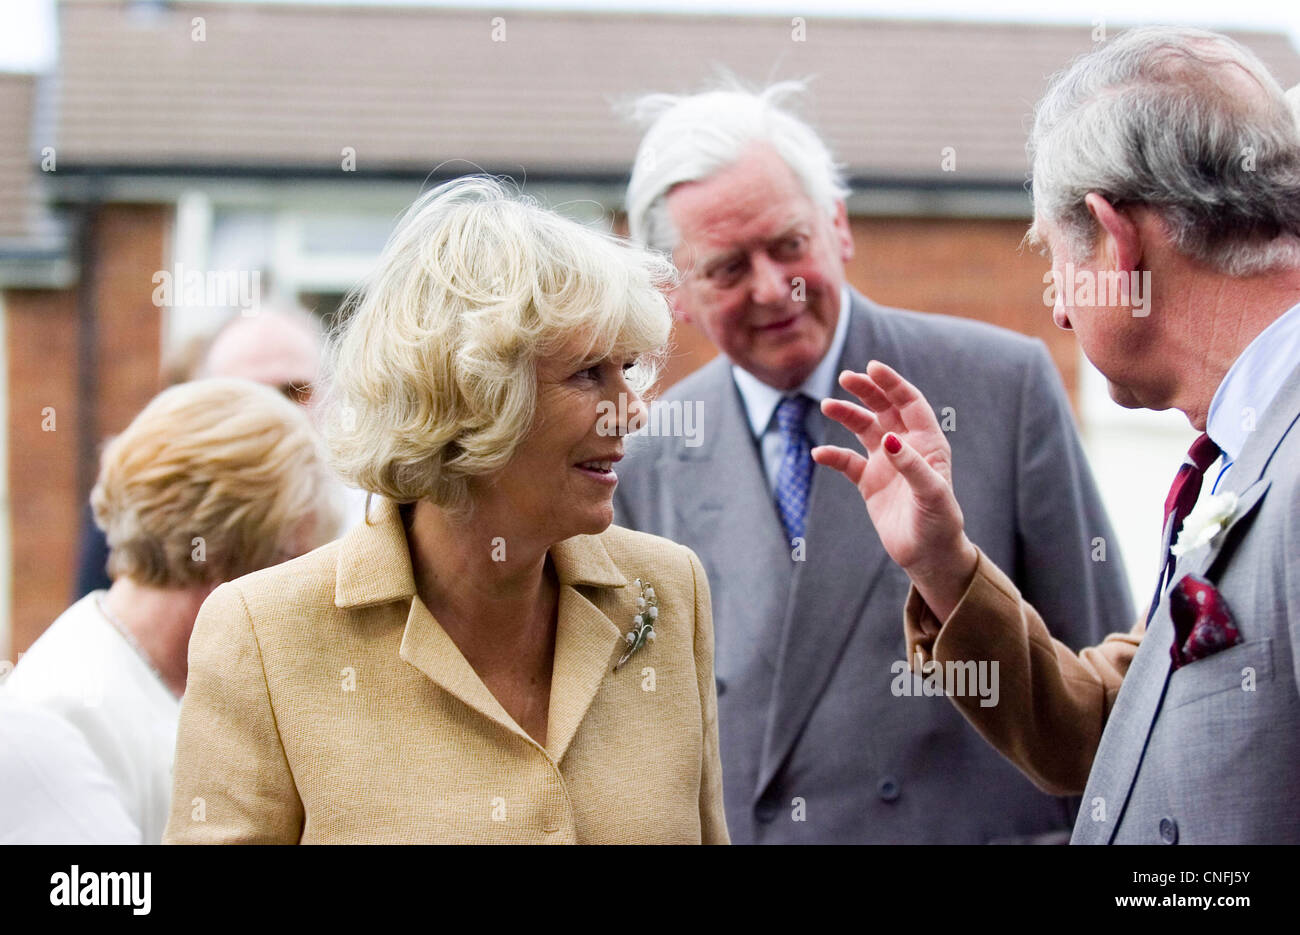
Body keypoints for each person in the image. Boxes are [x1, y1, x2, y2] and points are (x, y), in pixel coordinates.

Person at [612, 81, 1135, 844]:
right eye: (726, 268)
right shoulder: (644, 457)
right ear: (677, 295)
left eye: (790, 245)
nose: (772, 288)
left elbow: (1108, 699)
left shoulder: (1001, 385)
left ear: (838, 227)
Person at [815, 27, 1300, 844]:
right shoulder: (1241, 453)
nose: (1059, 309)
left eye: (1054, 258)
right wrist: (945, 565)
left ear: (1117, 241)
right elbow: (1114, 721)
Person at [163, 177, 728, 845]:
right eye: (587, 375)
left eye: (627, 368)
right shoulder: (263, 635)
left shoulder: (668, 589)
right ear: (467, 396)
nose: (632, 409)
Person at [5, 378, 344, 843]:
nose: (301, 588)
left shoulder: (168, 677)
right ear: (227, 554)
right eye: (293, 561)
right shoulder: (68, 708)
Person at [73, 304, 332, 598]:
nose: (277, 413)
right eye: (246, 394)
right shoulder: (148, 497)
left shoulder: (369, 506)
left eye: (295, 391)